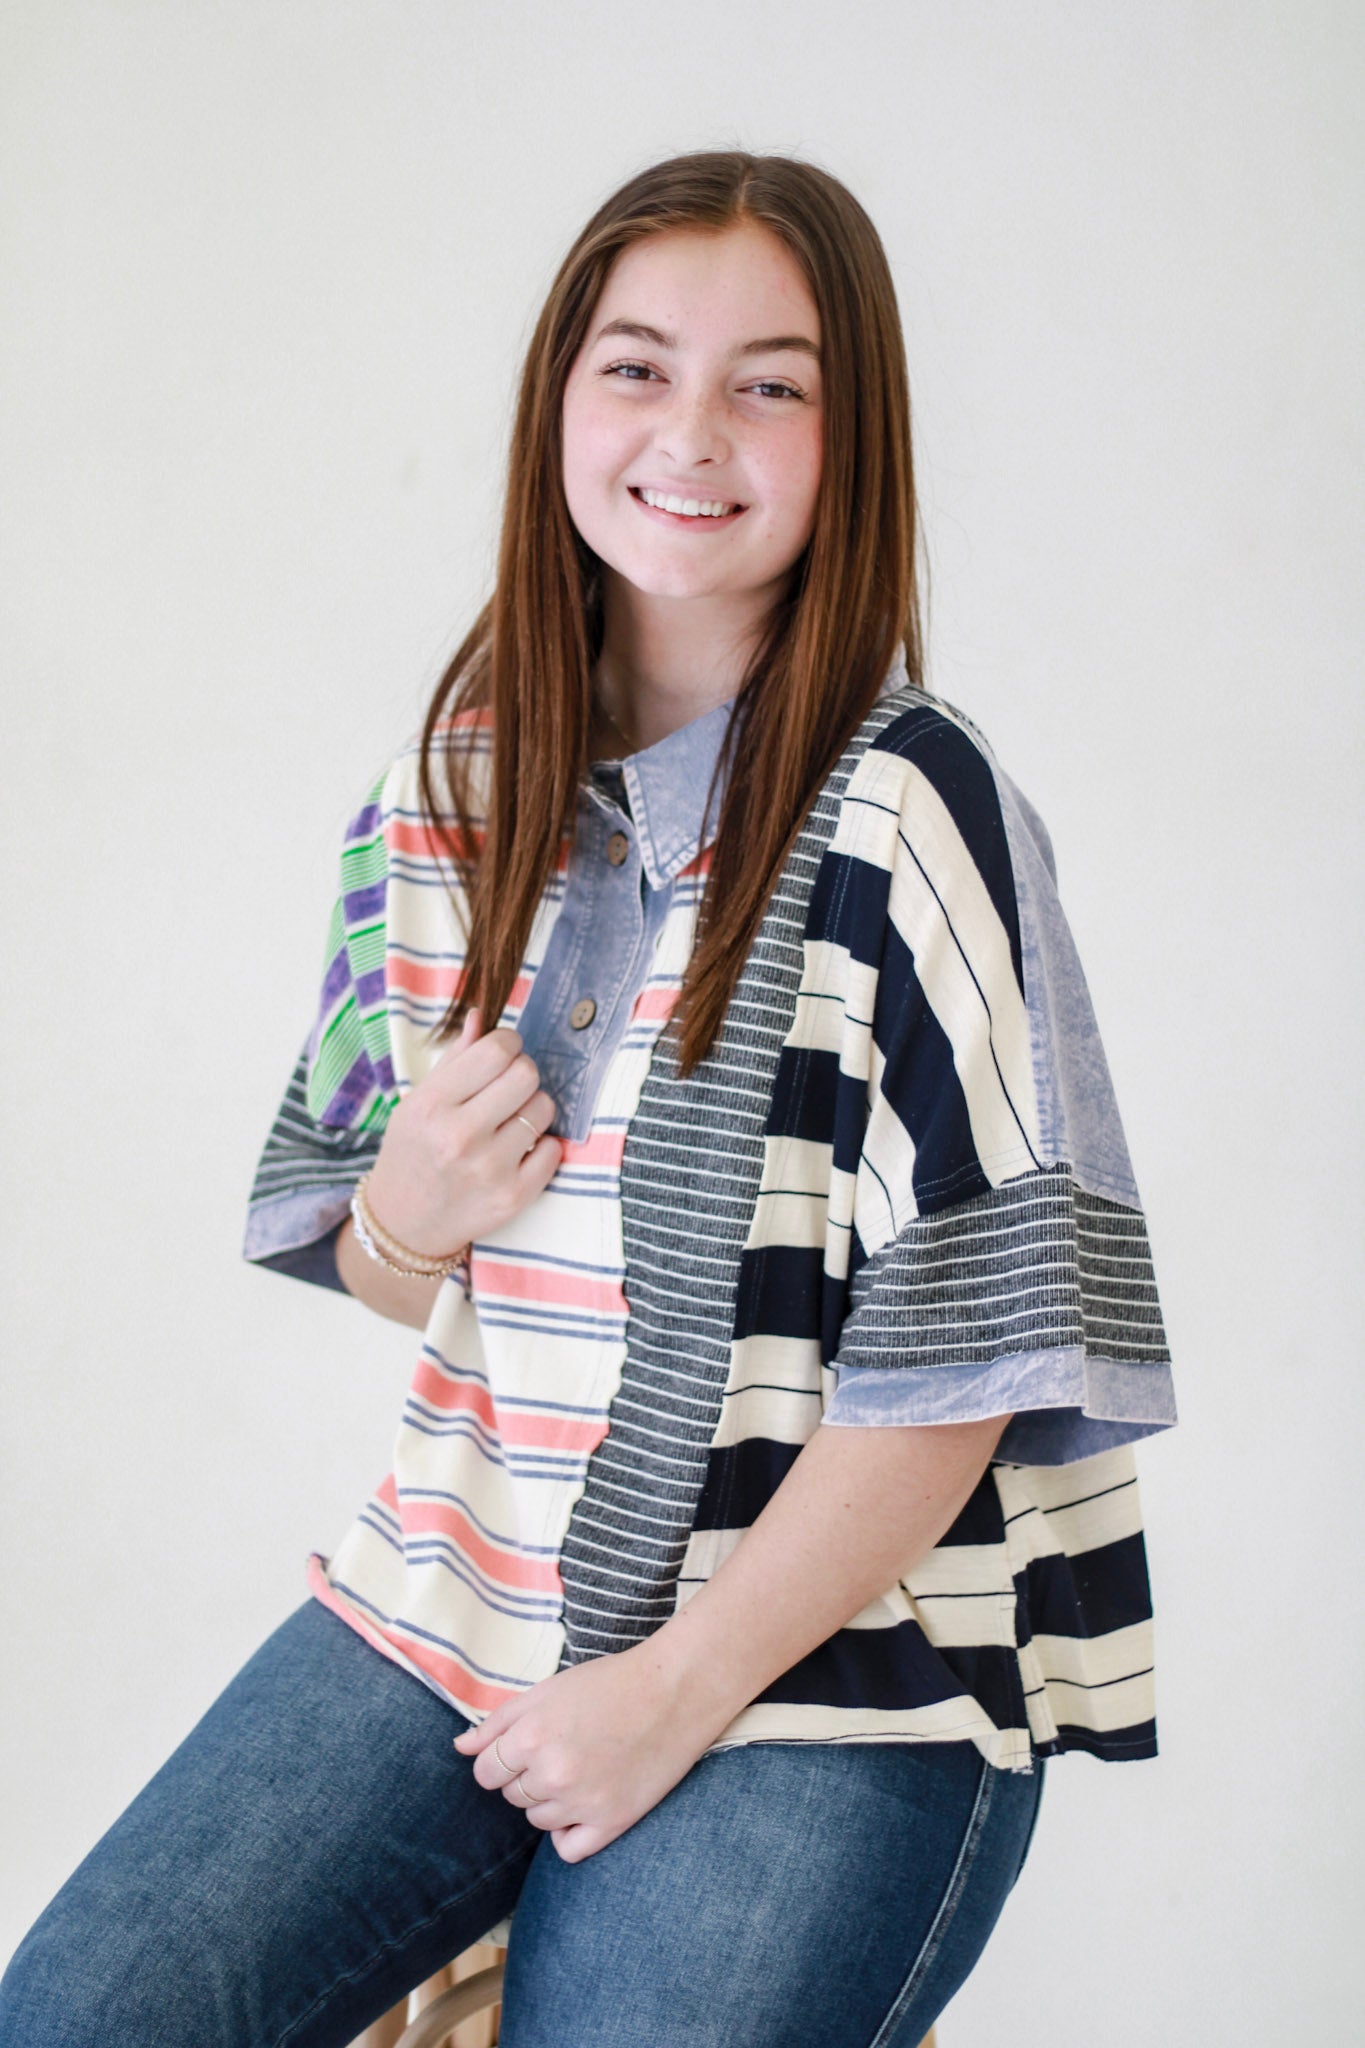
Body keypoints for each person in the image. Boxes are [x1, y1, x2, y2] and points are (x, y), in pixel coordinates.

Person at [0, 149, 1177, 2047]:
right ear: (559, 398)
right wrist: (405, 1221)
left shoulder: (912, 807)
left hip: (836, 1664)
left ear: (852, 438)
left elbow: (971, 1360)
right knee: (75, 2018)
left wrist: (670, 1690)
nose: (691, 432)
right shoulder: (442, 794)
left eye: (770, 384)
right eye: (636, 367)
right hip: (458, 1600)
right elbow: (385, 1254)